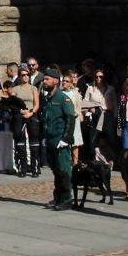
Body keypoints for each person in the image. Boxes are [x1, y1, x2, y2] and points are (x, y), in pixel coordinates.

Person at [40, 68, 76, 211]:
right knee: (55, 170)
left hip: (60, 139)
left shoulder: (63, 98)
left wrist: (66, 139)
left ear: (55, 81)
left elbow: (70, 119)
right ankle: (58, 197)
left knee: (64, 170)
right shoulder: (48, 97)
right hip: (50, 138)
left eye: (47, 79)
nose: (44, 82)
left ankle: (67, 199)